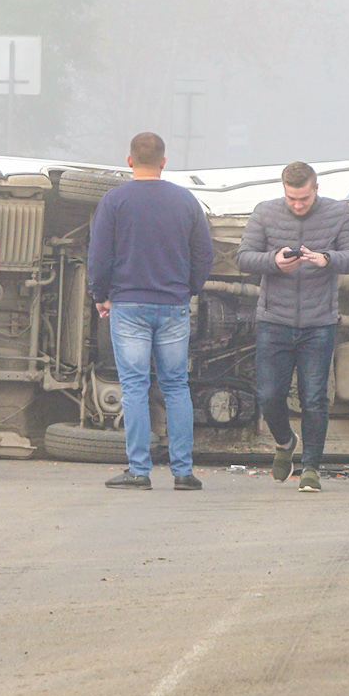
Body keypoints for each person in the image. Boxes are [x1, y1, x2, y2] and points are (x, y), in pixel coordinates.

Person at [86, 132, 215, 491]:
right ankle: (184, 472)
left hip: (127, 305)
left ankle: (139, 471)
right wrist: (188, 288)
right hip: (173, 306)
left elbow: (99, 257)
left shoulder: (114, 201)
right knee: (176, 386)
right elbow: (205, 254)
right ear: (163, 161)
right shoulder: (185, 201)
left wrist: (100, 294)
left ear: (129, 161)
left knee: (135, 387)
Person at [236, 160, 349, 492]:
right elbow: (243, 257)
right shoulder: (265, 212)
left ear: (316, 189)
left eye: (304, 198)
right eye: (291, 198)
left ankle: (310, 468)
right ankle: (284, 441)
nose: (297, 204)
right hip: (274, 320)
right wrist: (273, 262)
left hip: (319, 322)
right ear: (283, 191)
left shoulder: (339, 213)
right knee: (269, 395)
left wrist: (328, 259)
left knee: (314, 398)